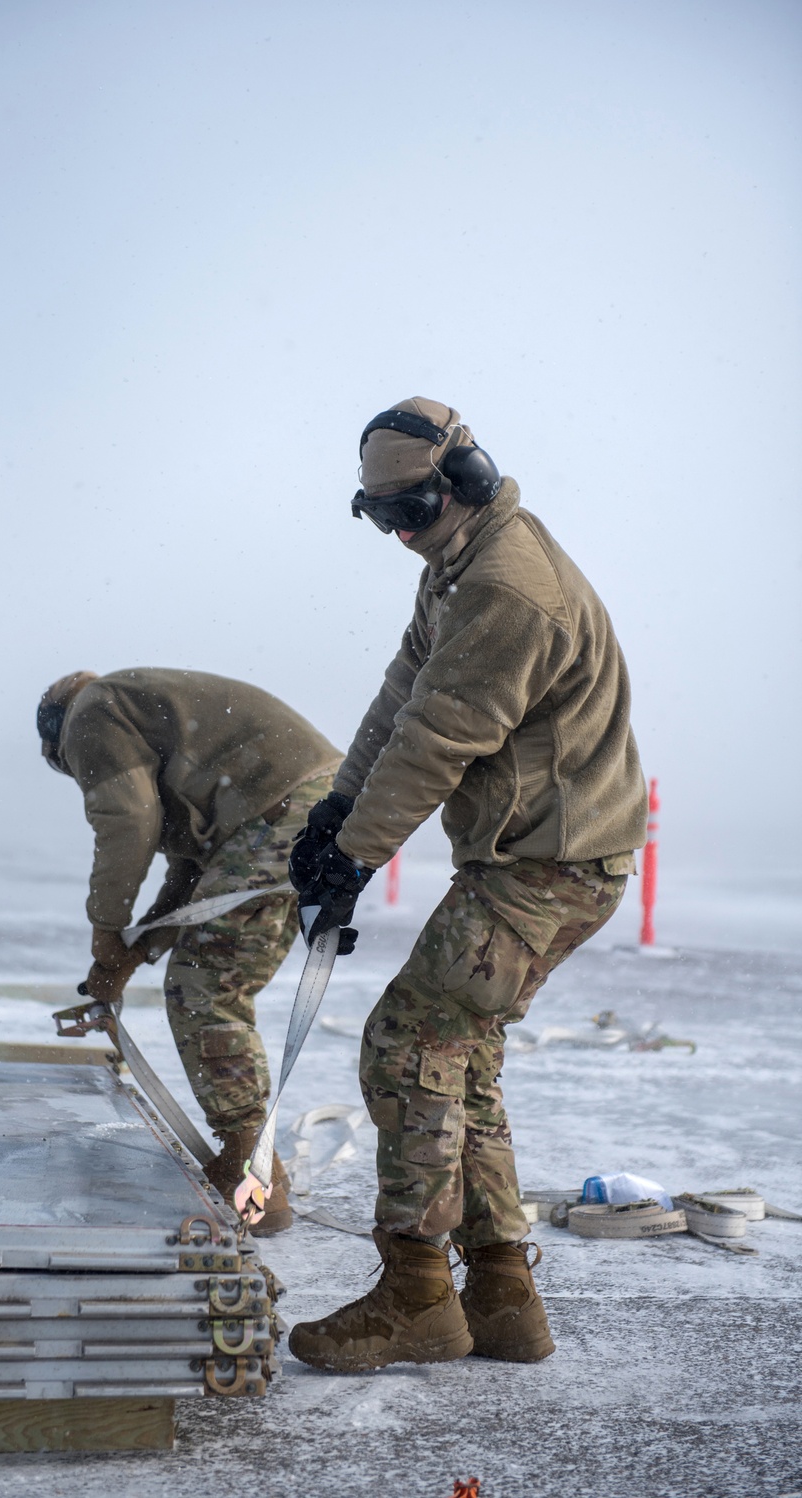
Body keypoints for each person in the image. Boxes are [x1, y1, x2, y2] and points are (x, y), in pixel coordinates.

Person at [287, 397, 646, 1369]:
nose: (400, 536)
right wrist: (336, 814)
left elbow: (444, 735)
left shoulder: (506, 586)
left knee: (405, 1046)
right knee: (461, 1059)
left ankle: (414, 1297)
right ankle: (500, 1299)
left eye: (411, 511)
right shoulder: (456, 565)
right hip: (523, 857)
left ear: (467, 483)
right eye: (381, 519)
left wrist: (359, 856)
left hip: (551, 867)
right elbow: (405, 693)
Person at [37, 667, 341, 1235]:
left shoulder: (90, 714)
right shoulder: (145, 715)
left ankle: (251, 1168)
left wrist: (106, 928)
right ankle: (254, 1156)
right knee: (223, 979)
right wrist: (132, 952)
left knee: (206, 985)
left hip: (282, 814)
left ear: (59, 749)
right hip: (319, 807)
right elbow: (192, 874)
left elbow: (129, 821)